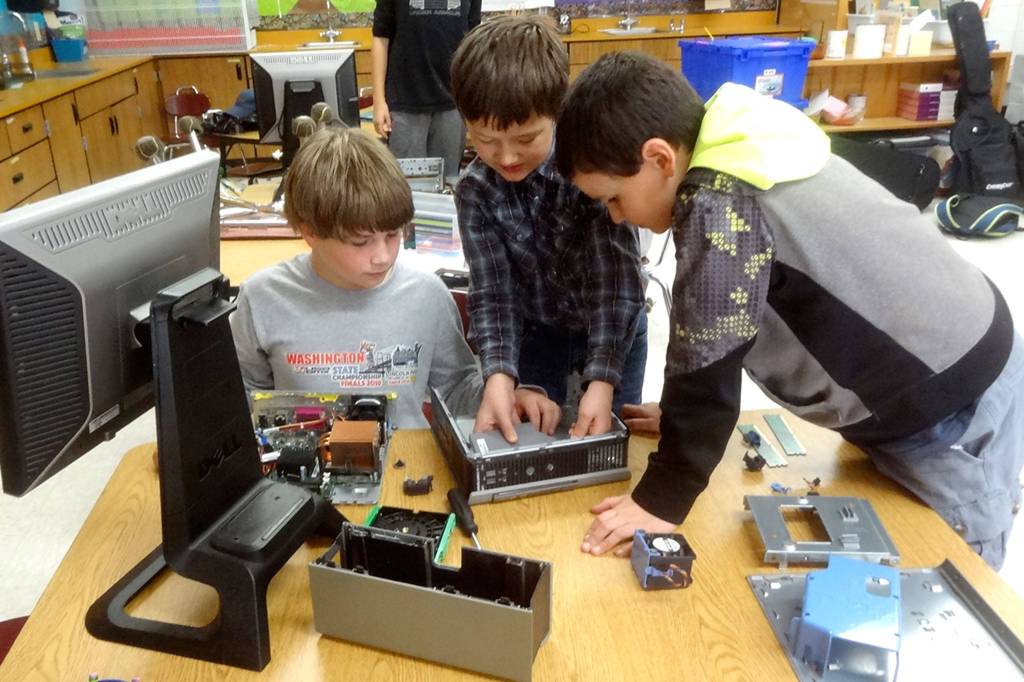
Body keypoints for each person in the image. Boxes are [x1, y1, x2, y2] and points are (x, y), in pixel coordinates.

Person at [554, 51, 1024, 569]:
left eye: (614, 198)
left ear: (661, 159)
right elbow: (727, 321)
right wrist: (678, 417)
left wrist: (662, 496)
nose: (616, 216)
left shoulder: (720, 200)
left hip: (950, 401)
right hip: (957, 348)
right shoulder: (735, 139)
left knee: (952, 572)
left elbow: (706, 359)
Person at [230, 126, 559, 431]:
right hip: (304, 481)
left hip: (406, 471)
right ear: (310, 232)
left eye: (392, 235)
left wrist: (512, 397)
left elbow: (457, 389)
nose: (383, 256)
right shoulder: (261, 298)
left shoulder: (427, 296)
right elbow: (244, 395)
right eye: (361, 242)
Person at [449, 16, 648, 443]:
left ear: (557, 113)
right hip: (535, 337)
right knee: (529, 443)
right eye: (485, 140)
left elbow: (617, 283)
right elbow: (493, 292)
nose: (505, 157)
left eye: (525, 139)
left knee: (605, 446)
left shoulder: (590, 173)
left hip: (613, 328)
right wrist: (499, 375)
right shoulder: (475, 191)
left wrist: (603, 379)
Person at [371, 0, 480, 186]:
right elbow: (381, 37)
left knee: (448, 185)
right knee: (406, 188)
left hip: (453, 104)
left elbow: (474, 40)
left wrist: (473, 98)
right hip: (404, 103)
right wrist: (379, 100)